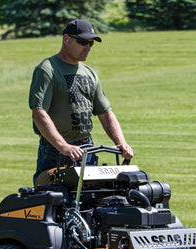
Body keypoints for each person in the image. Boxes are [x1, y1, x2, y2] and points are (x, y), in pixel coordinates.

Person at [29, 19, 133, 184]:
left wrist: (121, 143)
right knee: (53, 202)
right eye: (82, 41)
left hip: (87, 148)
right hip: (56, 151)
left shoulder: (89, 73)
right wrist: (63, 147)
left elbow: (106, 113)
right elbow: (38, 113)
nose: (87, 47)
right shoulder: (47, 69)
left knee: (89, 203)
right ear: (66, 39)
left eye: (91, 44)